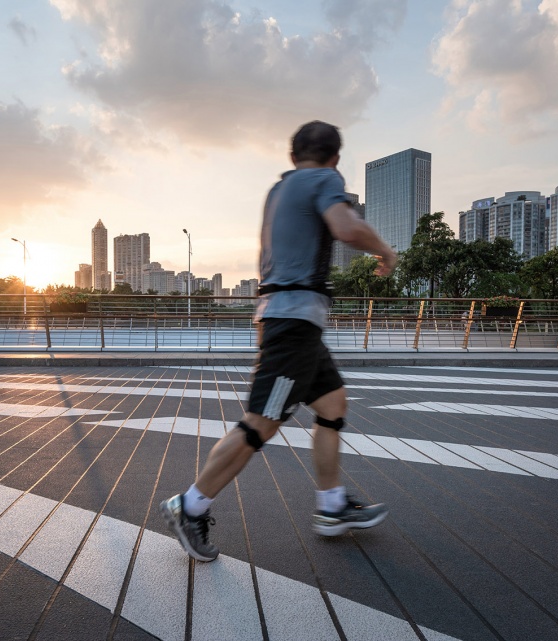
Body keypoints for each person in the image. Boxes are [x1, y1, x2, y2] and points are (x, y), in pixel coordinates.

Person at [159, 121, 398, 562]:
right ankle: (189, 506)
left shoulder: (278, 190)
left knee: (332, 405)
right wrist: (385, 250)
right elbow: (346, 228)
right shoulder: (324, 179)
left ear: (292, 156)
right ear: (335, 159)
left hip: (291, 321)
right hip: (293, 325)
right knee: (260, 424)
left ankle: (331, 506)